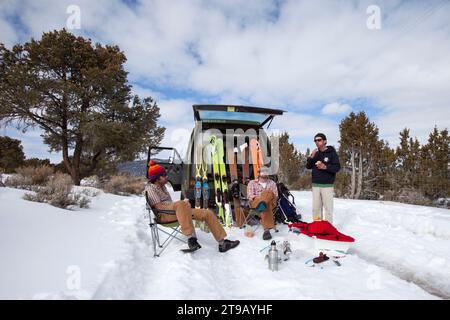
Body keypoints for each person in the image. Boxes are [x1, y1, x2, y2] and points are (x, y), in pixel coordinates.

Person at [145, 161, 240, 253]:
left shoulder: (162, 186)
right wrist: (180, 205)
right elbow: (159, 208)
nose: (167, 177)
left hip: (175, 212)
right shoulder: (151, 189)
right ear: (157, 178)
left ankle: (222, 243)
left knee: (207, 213)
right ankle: (191, 238)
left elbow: (173, 205)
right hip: (164, 215)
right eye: (164, 175)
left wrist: (183, 205)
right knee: (181, 204)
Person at [305, 133, 341, 224]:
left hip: (327, 185)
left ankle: (328, 227)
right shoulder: (316, 153)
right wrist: (311, 157)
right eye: (315, 140)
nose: (317, 142)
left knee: (328, 208)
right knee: (316, 208)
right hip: (315, 185)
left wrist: (325, 167)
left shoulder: (332, 153)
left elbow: (337, 168)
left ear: (324, 141)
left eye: (319, 140)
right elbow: (308, 166)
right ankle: (317, 225)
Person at [247, 166, 278, 240]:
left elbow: (276, 195)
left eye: (266, 172)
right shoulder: (252, 183)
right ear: (259, 173)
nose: (264, 174)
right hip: (256, 202)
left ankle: (263, 203)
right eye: (262, 172)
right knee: (265, 203)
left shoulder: (272, 183)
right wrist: (261, 198)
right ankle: (266, 230)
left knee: (269, 193)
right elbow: (250, 196)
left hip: (270, 203)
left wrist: (265, 197)